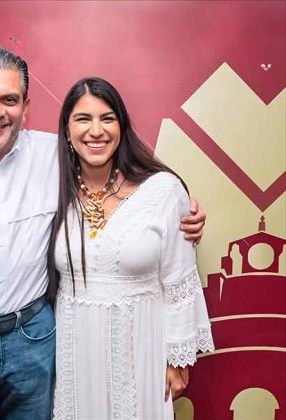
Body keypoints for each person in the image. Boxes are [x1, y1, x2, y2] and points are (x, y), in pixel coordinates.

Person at [0, 47, 206, 420]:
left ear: (25, 107)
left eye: (9, 99)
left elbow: (131, 189)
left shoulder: (56, 155)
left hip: (31, 342)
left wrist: (183, 211)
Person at [47, 77, 215, 420]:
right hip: (75, 350)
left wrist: (177, 359)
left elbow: (180, 281)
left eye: (107, 119)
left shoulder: (163, 191)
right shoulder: (52, 189)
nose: (96, 131)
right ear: (67, 131)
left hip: (141, 350)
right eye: (83, 119)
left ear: (122, 127)